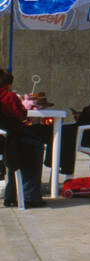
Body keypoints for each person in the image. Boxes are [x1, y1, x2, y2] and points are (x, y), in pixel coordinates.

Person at [0, 68, 46, 206]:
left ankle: (11, 195)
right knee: (36, 144)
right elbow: (21, 115)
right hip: (14, 137)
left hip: (5, 138)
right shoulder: (10, 96)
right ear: (9, 84)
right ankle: (30, 196)